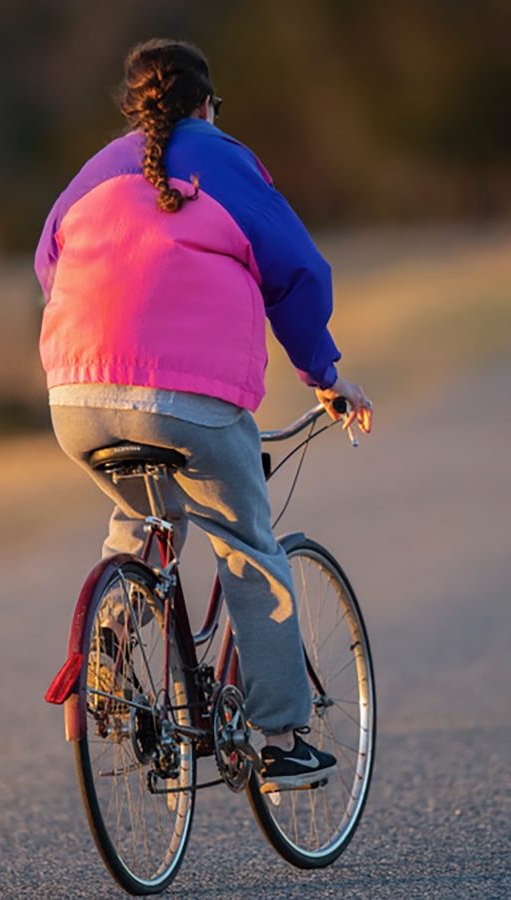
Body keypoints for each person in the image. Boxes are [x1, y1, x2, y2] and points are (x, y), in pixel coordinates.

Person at [35, 38, 372, 792]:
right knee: (250, 545)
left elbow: (46, 263)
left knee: (145, 517)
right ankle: (283, 740)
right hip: (187, 402)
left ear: (134, 107)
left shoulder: (92, 172)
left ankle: (111, 651)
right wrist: (323, 374)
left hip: (76, 399)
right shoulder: (222, 159)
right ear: (206, 105)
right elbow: (300, 271)